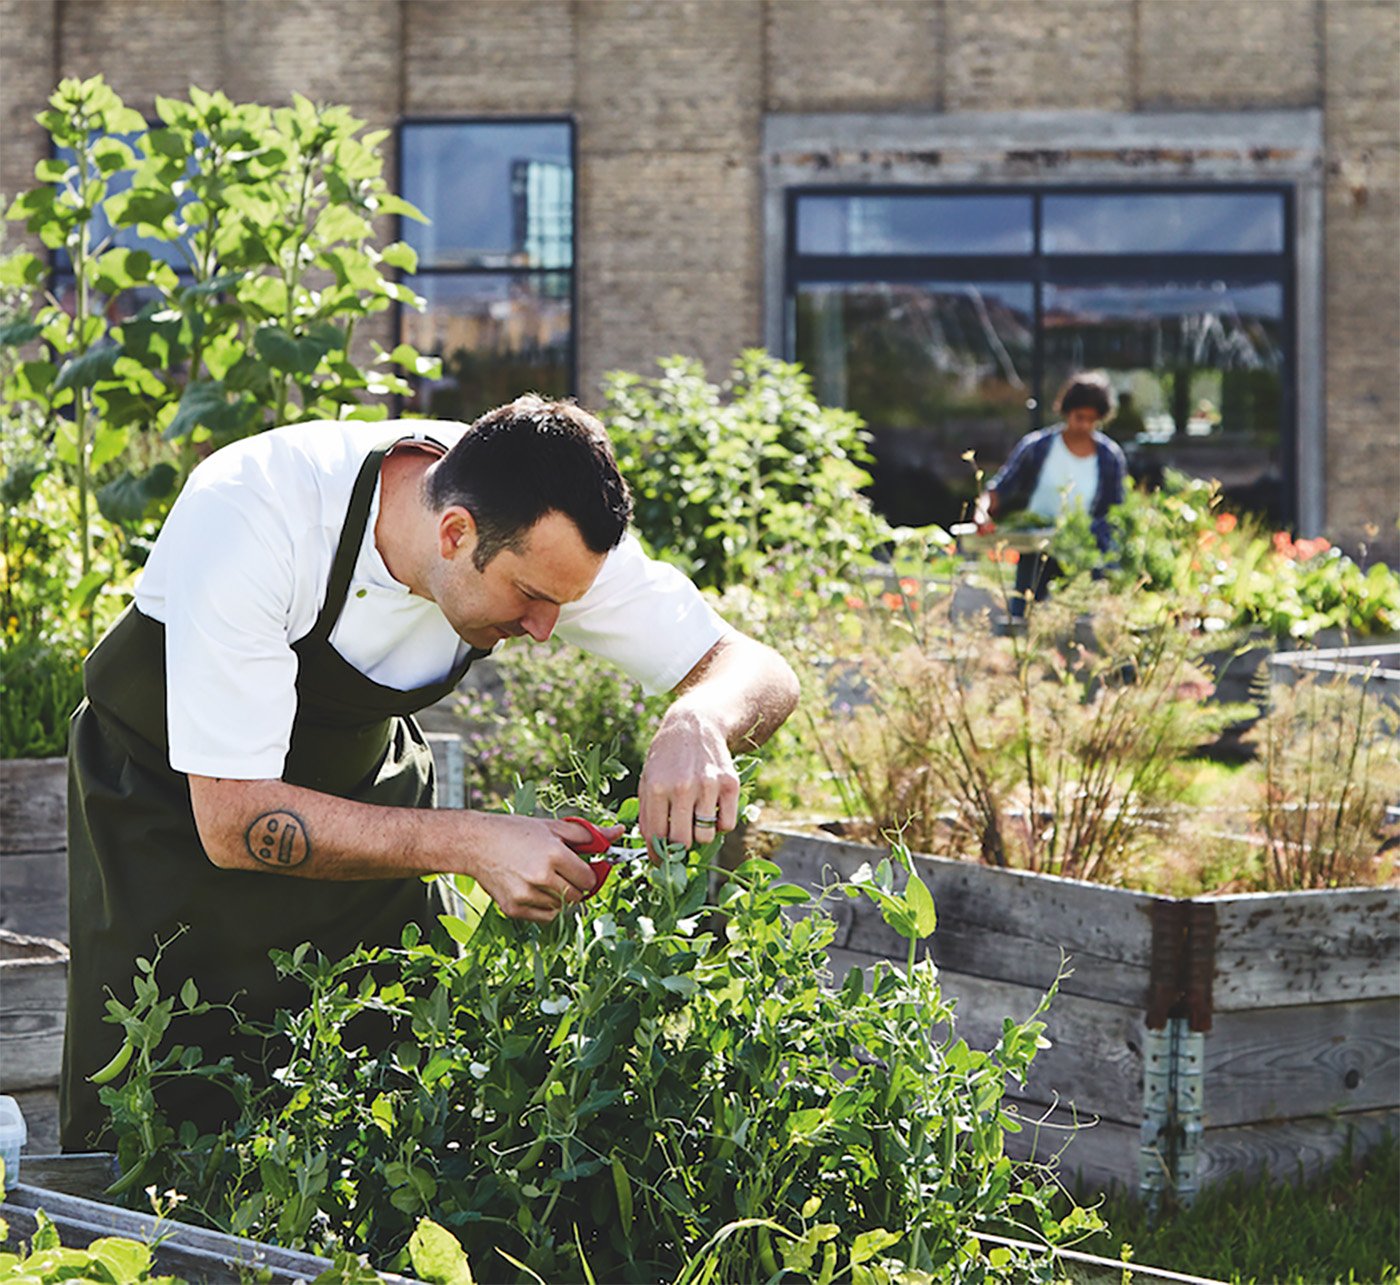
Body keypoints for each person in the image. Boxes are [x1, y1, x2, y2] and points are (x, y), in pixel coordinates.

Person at [61, 396, 799, 1148]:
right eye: (533, 599)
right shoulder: (253, 514)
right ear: (455, 533)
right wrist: (475, 842)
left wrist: (697, 717)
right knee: (148, 1142)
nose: (545, 630)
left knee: (395, 1137)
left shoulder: (542, 521)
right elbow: (233, 820)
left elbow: (761, 671)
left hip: (367, 858)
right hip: (166, 848)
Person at [973, 372, 1128, 609]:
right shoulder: (1038, 447)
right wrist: (982, 513)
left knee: (1076, 618)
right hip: (1036, 549)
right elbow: (1001, 488)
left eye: (1091, 419)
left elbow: (1115, 513)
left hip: (1082, 552)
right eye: (1079, 417)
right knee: (1024, 613)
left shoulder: (1110, 458)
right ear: (1067, 412)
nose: (1084, 425)